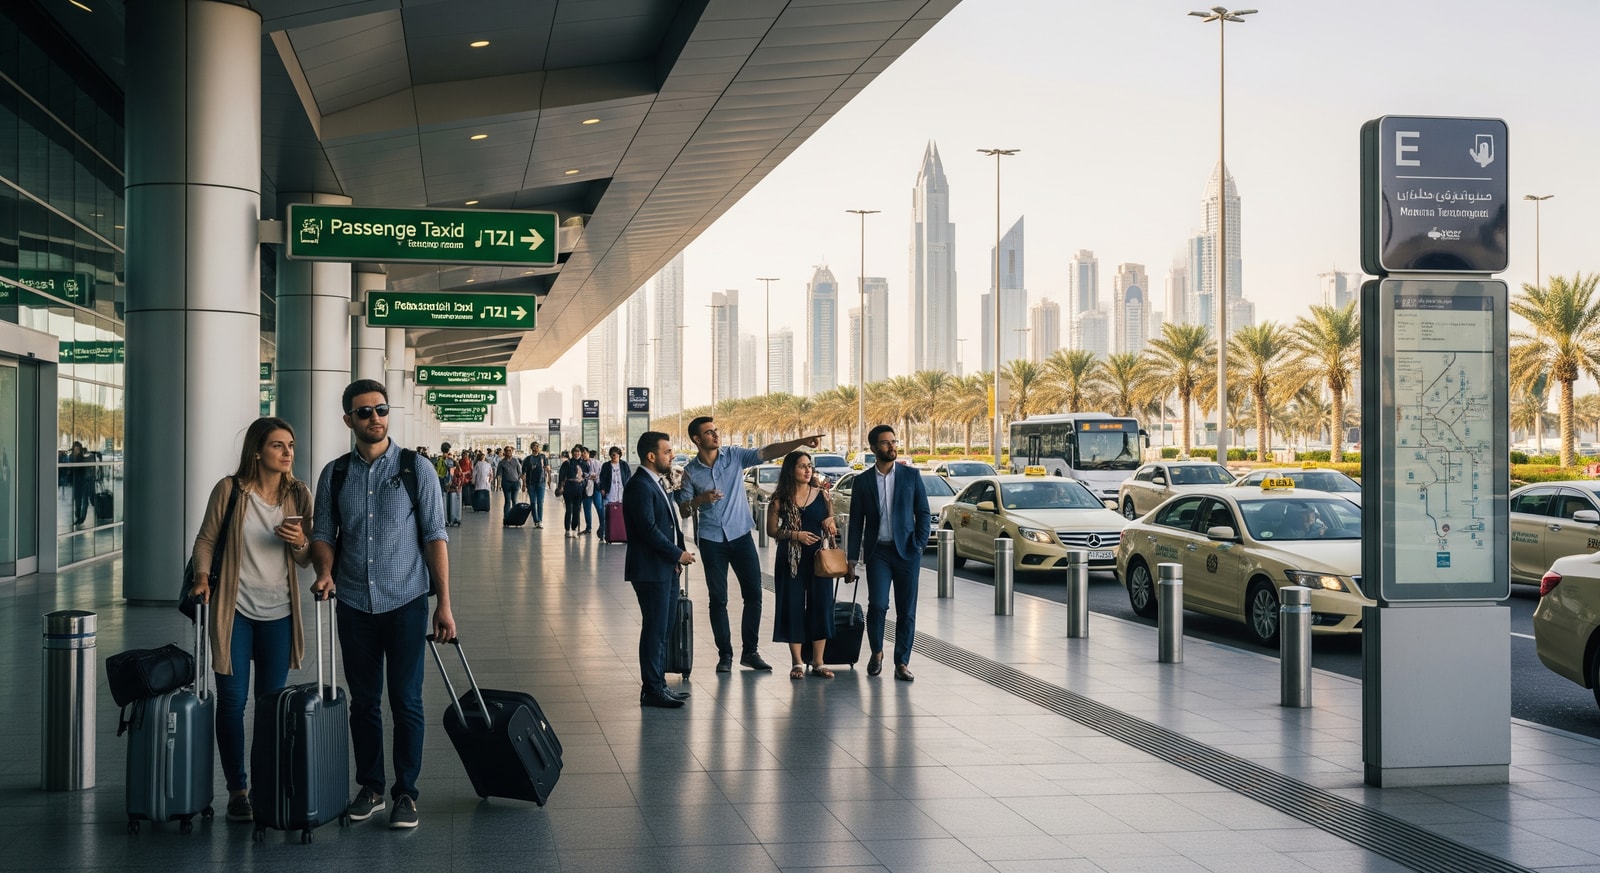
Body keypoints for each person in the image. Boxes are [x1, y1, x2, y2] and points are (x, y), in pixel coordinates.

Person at [309, 379, 454, 831]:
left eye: (381, 409)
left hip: (407, 601)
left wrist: (444, 603)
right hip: (353, 604)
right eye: (365, 412)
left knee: (407, 701)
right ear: (348, 419)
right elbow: (323, 534)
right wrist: (325, 571)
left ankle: (406, 793)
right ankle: (371, 787)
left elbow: (435, 536)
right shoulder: (334, 474)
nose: (375, 418)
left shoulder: (417, 469)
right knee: (364, 703)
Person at [188, 416, 314, 823]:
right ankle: (238, 789)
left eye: (290, 445)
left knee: (271, 704)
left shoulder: (299, 494)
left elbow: (308, 557)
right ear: (257, 451)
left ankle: (264, 783)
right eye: (278, 445)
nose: (287, 452)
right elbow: (206, 539)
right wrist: (203, 578)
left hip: (279, 611)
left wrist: (300, 544)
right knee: (231, 702)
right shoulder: (230, 490)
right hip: (234, 609)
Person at [677, 415, 822, 673]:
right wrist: (700, 500)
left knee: (754, 595)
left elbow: (767, 452)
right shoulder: (690, 472)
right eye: (709, 432)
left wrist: (800, 441)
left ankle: (750, 652)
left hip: (741, 535)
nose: (715, 434)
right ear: (697, 439)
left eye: (716, 430)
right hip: (712, 541)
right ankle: (725, 655)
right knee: (718, 599)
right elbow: (685, 510)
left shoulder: (734, 456)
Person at [845, 425, 930, 682]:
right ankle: (877, 653)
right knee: (878, 605)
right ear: (873, 448)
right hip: (878, 553)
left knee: (907, 610)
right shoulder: (862, 481)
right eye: (885, 443)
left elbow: (923, 513)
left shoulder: (911, 476)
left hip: (907, 552)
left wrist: (919, 544)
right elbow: (856, 521)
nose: (892, 446)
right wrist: (851, 559)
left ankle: (902, 662)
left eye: (893, 441)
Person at [623, 431, 695, 708]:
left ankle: (659, 684)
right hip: (650, 570)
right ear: (651, 456)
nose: (672, 455)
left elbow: (669, 525)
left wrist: (674, 559)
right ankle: (652, 689)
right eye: (667, 451)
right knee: (655, 630)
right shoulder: (640, 485)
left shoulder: (655, 483)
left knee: (663, 629)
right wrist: (678, 553)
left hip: (665, 567)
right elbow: (648, 530)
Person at [767, 451, 838, 679]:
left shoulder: (823, 495)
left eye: (809, 466)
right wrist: (795, 535)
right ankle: (797, 663)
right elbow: (771, 531)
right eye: (802, 466)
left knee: (821, 605)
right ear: (791, 470)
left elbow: (831, 523)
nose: (808, 470)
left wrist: (830, 522)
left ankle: (818, 662)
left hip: (819, 559)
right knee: (793, 606)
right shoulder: (779, 499)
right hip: (790, 559)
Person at [598, 446, 631, 541]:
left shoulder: (624, 465)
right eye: (612, 455)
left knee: (623, 513)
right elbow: (602, 477)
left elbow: (628, 476)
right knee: (606, 514)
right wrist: (603, 488)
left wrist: (628, 487)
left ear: (619, 455)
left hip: (622, 491)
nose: (614, 457)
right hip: (610, 492)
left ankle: (623, 534)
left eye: (616, 455)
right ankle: (604, 533)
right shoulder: (606, 465)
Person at [560, 446, 586, 537]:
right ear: (572, 453)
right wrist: (561, 486)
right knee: (569, 510)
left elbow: (586, 475)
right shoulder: (567, 463)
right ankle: (567, 529)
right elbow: (562, 476)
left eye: (578, 452)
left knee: (576, 510)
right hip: (569, 488)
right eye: (575, 452)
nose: (576, 454)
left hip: (579, 489)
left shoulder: (584, 464)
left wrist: (583, 480)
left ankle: (574, 528)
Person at [521, 443, 549, 528]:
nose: (536, 448)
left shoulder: (543, 457)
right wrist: (524, 484)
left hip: (541, 482)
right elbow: (523, 473)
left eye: (537, 447)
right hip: (531, 483)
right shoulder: (527, 459)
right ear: (531, 448)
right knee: (533, 502)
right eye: (534, 447)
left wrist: (548, 475)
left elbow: (547, 468)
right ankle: (536, 520)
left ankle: (540, 520)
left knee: (540, 502)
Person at [68, 440, 93, 525]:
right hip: (78, 482)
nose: (75, 450)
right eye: (75, 449)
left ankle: (80, 518)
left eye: (77, 448)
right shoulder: (72, 458)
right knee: (78, 501)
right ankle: (79, 517)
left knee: (83, 501)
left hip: (83, 482)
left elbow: (80, 469)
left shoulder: (80, 458)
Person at [496, 445, 523, 525]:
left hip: (515, 483)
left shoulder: (516, 461)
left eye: (510, 450)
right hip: (506, 483)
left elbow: (520, 471)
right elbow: (499, 474)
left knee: (514, 500)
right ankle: (507, 518)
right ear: (505, 452)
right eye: (507, 450)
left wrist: (520, 480)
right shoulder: (502, 462)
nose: (509, 452)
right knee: (507, 501)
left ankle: (515, 517)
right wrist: (499, 484)